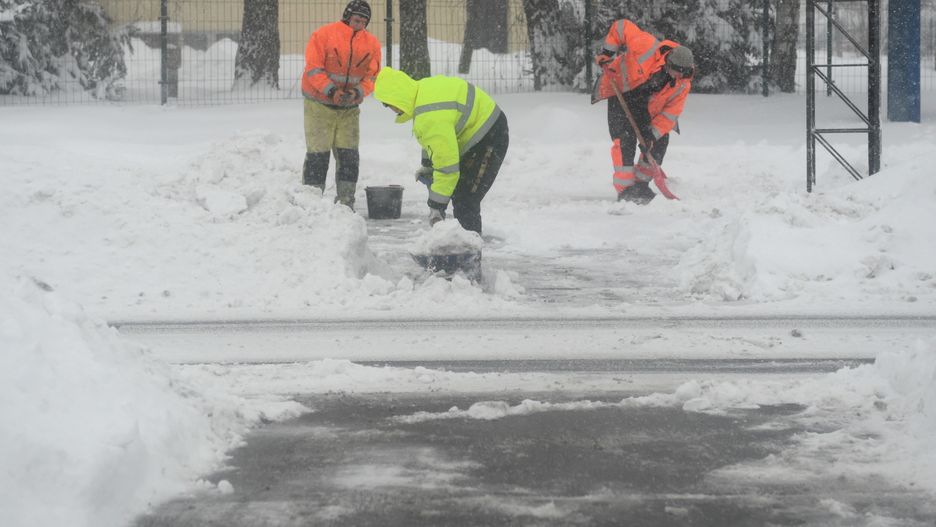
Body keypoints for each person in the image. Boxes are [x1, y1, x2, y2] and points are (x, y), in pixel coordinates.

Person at [373, 67, 509, 235]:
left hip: (490, 135)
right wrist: (429, 165)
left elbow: (447, 167)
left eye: (387, 104)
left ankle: (469, 254)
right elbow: (434, 143)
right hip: (479, 131)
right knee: (460, 193)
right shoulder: (422, 93)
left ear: (396, 96)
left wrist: (436, 206)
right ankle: (463, 248)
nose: (389, 109)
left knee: (466, 199)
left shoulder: (428, 113)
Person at [592, 19, 694, 205]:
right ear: (667, 63)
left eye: (682, 74)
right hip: (621, 91)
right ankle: (625, 188)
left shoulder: (683, 84)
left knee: (661, 140)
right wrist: (607, 53)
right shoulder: (645, 46)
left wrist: (651, 135)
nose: (678, 77)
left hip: (646, 106)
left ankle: (640, 183)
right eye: (675, 72)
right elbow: (621, 26)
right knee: (625, 139)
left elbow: (670, 115)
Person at [300, 1, 381, 209]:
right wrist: (331, 91)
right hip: (319, 106)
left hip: (349, 109)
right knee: (318, 155)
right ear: (347, 17)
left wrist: (357, 92)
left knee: (349, 156)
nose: (359, 25)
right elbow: (313, 69)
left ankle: (346, 201)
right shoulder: (323, 35)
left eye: (364, 22)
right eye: (356, 20)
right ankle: (311, 203)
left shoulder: (371, 43)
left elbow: (372, 76)